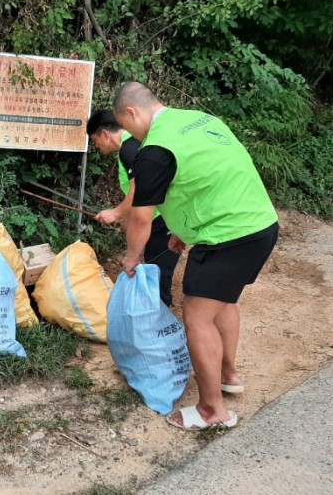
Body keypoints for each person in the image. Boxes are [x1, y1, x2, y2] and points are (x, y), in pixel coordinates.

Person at [113, 81, 279, 431]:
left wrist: (131, 257)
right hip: (260, 224)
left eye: (127, 128)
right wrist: (182, 231)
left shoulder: (155, 149)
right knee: (222, 303)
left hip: (227, 236)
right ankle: (228, 375)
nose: (131, 136)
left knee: (197, 315)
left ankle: (211, 411)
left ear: (131, 113)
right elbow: (208, 177)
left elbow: (142, 217)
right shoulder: (200, 120)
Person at [87, 109, 180, 307]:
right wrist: (127, 220)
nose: (96, 145)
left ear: (105, 134)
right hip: (158, 218)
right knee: (156, 266)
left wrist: (116, 213)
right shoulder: (134, 144)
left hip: (162, 219)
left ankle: (160, 321)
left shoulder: (129, 149)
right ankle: (157, 315)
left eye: (95, 140)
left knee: (159, 271)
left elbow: (139, 190)